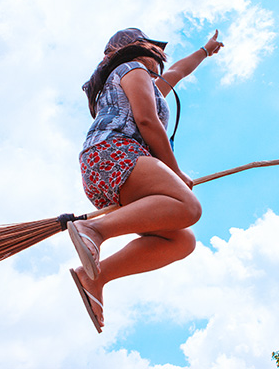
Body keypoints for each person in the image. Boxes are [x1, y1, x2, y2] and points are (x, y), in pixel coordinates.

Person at [69, 28, 224, 333]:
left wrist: (205, 51)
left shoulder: (146, 83)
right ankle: (93, 230)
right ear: (135, 49)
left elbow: (178, 71)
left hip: (106, 173)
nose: (160, 61)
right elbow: (146, 121)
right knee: (187, 205)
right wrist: (175, 172)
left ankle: (96, 276)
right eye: (153, 51)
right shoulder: (131, 69)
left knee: (180, 240)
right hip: (113, 153)